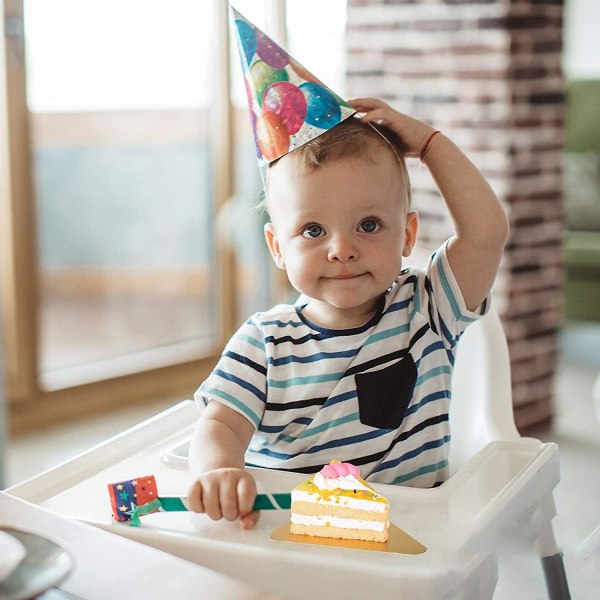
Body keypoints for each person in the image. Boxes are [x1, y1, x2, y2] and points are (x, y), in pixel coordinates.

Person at [187, 97, 509, 529]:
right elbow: (220, 425)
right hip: (292, 538)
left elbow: (486, 233)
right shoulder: (263, 342)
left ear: (407, 234)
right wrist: (218, 471)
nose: (341, 250)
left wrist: (431, 144)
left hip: (411, 539)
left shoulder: (428, 308)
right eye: (313, 230)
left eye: (369, 225)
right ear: (278, 247)